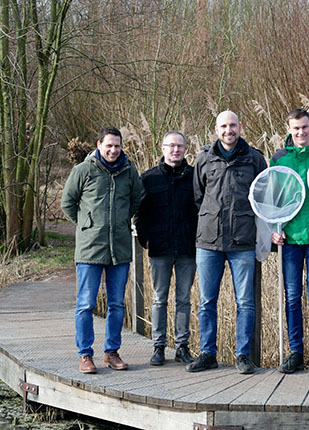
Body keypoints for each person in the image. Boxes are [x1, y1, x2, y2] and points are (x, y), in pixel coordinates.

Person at [186, 110, 267, 374]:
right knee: (207, 301)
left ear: (240, 127)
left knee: (245, 302)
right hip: (208, 242)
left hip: (242, 242)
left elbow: (264, 197)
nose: (228, 130)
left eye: (232, 125)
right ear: (216, 128)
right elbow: (198, 197)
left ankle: (243, 355)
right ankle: (208, 353)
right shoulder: (204, 159)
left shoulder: (254, 159)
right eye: (223, 126)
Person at [61, 126, 142, 374]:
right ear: (99, 145)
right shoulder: (83, 171)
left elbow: (137, 200)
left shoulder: (129, 171)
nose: (113, 150)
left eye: (117, 146)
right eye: (109, 145)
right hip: (90, 250)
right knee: (85, 304)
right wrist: (87, 225)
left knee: (117, 304)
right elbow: (68, 202)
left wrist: (120, 223)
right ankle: (85, 354)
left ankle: (111, 352)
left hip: (119, 249)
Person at [270, 108, 309, 377]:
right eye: (296, 129)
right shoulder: (279, 159)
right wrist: (275, 229)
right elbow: (271, 199)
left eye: (304, 127)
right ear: (288, 129)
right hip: (291, 240)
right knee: (292, 297)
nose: (301, 133)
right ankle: (296, 352)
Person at [135, 131, 198, 366]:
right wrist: (145, 238)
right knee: (160, 298)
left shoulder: (194, 177)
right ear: (162, 148)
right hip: (160, 248)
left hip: (187, 247)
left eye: (179, 146)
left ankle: (182, 346)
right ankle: (158, 346)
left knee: (184, 299)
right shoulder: (149, 178)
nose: (175, 150)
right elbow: (140, 214)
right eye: (171, 146)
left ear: (185, 149)